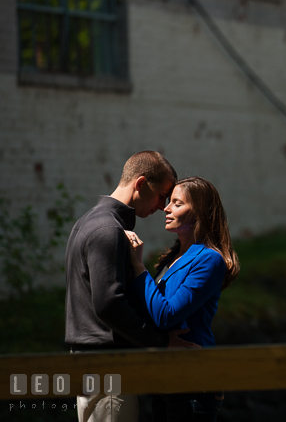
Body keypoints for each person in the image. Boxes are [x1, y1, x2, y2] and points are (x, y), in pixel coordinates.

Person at [65, 150, 198, 422]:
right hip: (108, 368)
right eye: (162, 195)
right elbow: (109, 304)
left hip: (91, 366)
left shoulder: (89, 222)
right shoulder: (107, 229)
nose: (163, 206)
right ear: (139, 184)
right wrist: (161, 343)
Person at [125, 176, 240, 422]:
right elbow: (151, 309)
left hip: (194, 378)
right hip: (165, 376)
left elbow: (166, 315)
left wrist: (138, 267)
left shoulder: (210, 259)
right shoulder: (170, 258)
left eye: (177, 203)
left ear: (198, 212)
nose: (166, 208)